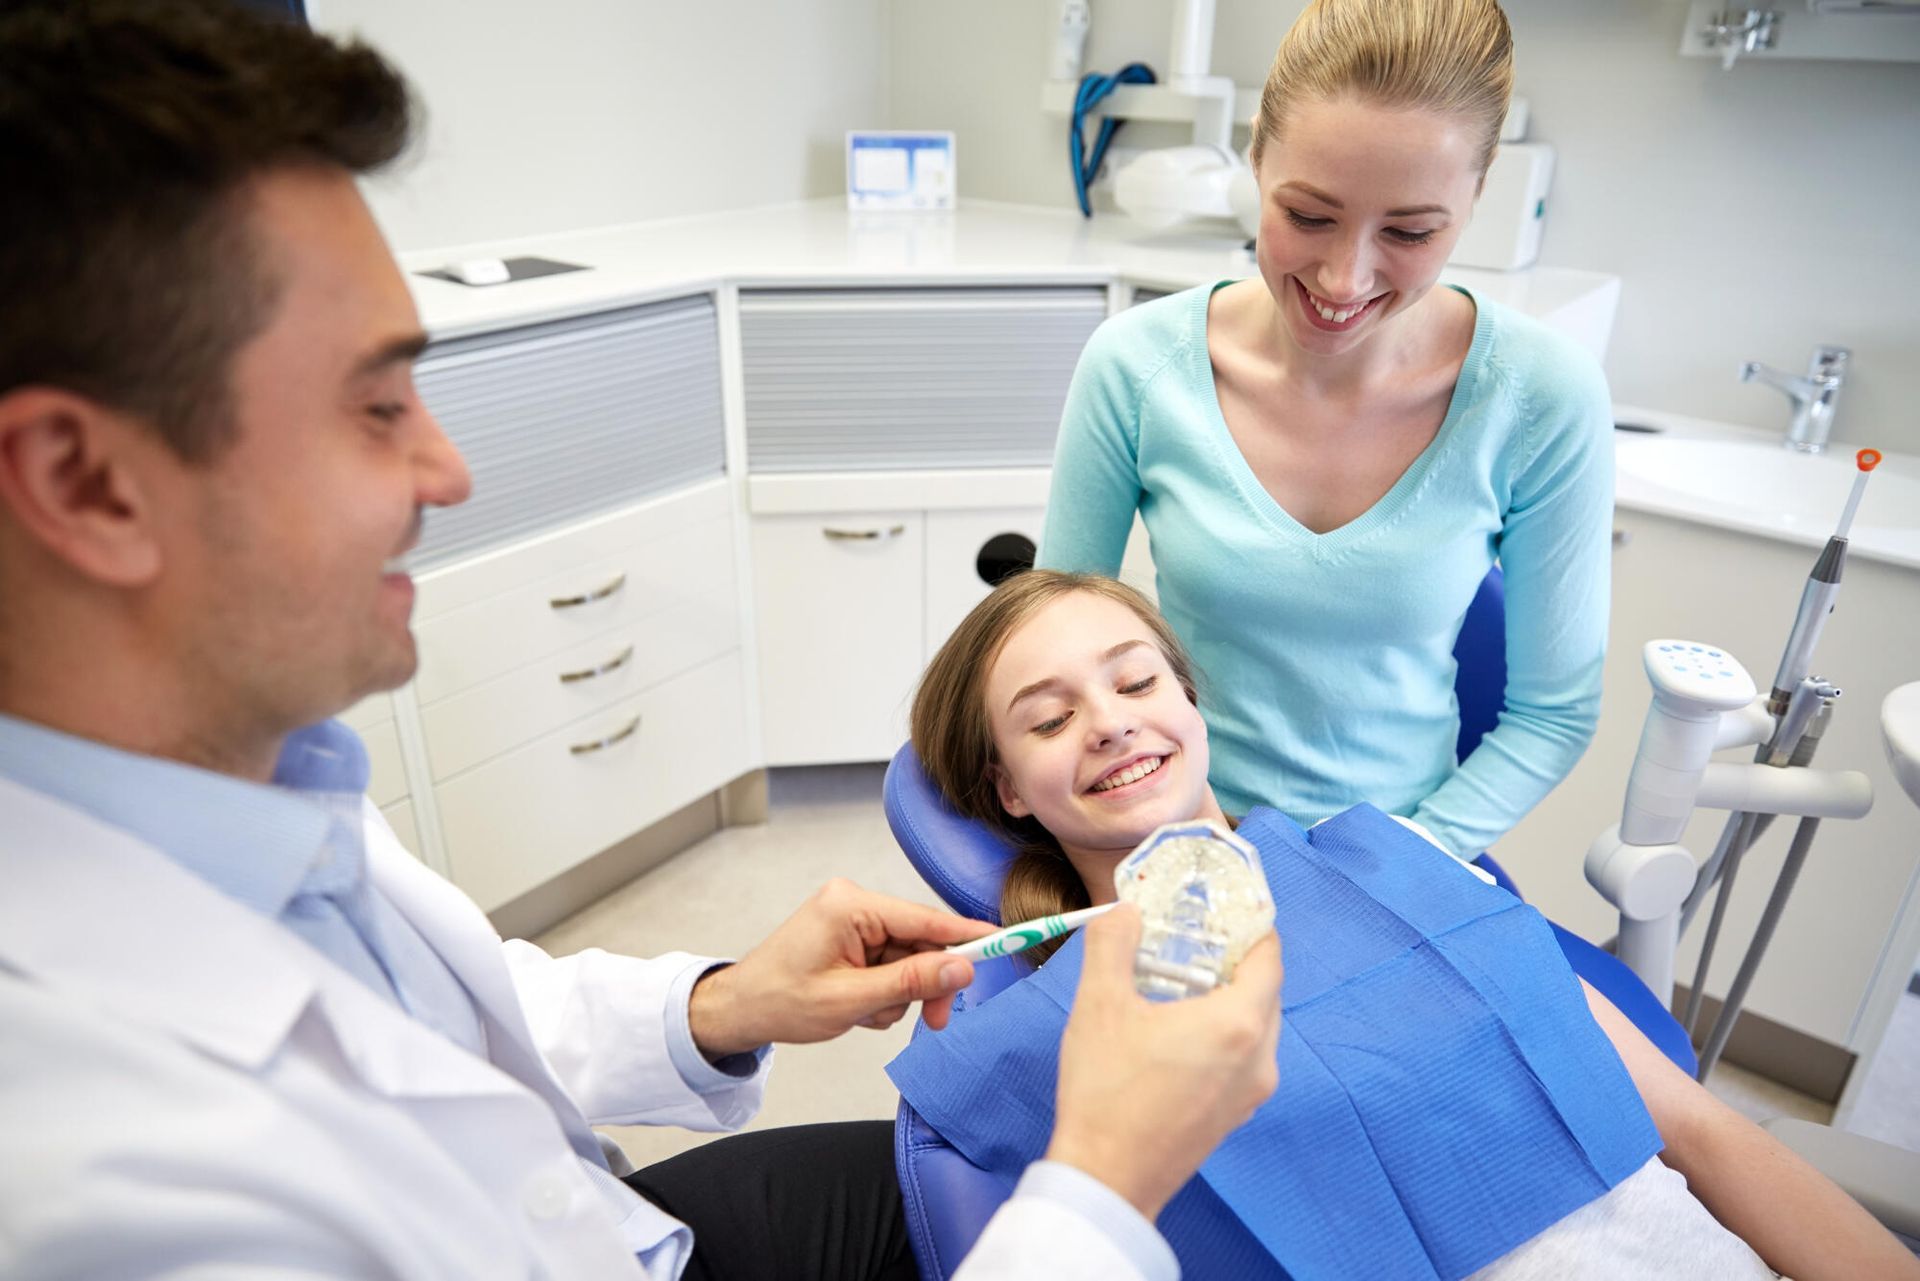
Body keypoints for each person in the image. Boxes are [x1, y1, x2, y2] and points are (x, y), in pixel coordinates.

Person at [0, 4, 1279, 1279]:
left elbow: (439, 1025)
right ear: (86, 484)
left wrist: (720, 1005)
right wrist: (1104, 1178)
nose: (447, 471)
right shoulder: (102, 1190)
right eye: (375, 404)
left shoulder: (249, 776)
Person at [903, 569, 1920, 1280]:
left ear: (1189, 699)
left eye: (1135, 681)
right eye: (1049, 719)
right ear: (1010, 790)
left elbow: (1700, 1130)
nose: (1113, 721)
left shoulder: (1396, 859)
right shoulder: (1047, 1027)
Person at [1037, 0, 1611, 863]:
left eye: (1411, 231)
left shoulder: (1540, 399)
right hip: (1172, 832)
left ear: (1477, 195)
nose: (1344, 278)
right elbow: (1053, 643)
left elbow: (1553, 710)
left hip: (1408, 848)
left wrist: (1414, 855)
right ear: (1256, 161)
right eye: (1308, 217)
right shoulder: (1137, 367)